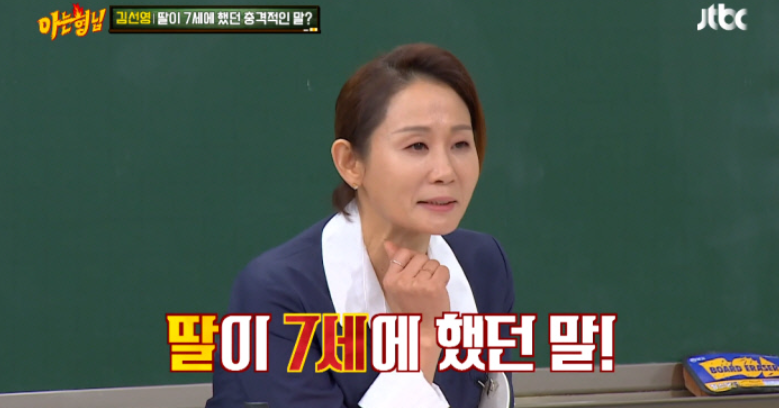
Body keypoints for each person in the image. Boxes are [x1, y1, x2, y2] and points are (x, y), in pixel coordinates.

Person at [205, 43, 516, 408]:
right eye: (417, 146)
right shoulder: (276, 293)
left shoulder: (483, 263)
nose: (446, 172)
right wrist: (422, 340)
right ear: (350, 162)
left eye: (461, 144)